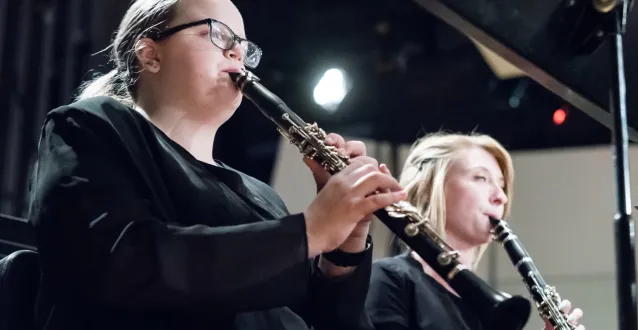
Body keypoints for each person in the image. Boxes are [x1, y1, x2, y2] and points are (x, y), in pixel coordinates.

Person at [26, 0, 408, 329]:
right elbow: (120, 265)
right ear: (150, 54)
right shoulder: (89, 126)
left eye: (243, 46)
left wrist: (343, 246)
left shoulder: (261, 194)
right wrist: (309, 230)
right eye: (218, 34)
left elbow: (325, 319)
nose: (237, 54)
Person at [364, 132, 585, 330]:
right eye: (480, 178)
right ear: (432, 187)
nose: (501, 197)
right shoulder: (390, 280)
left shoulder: (496, 310)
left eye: (501, 184)